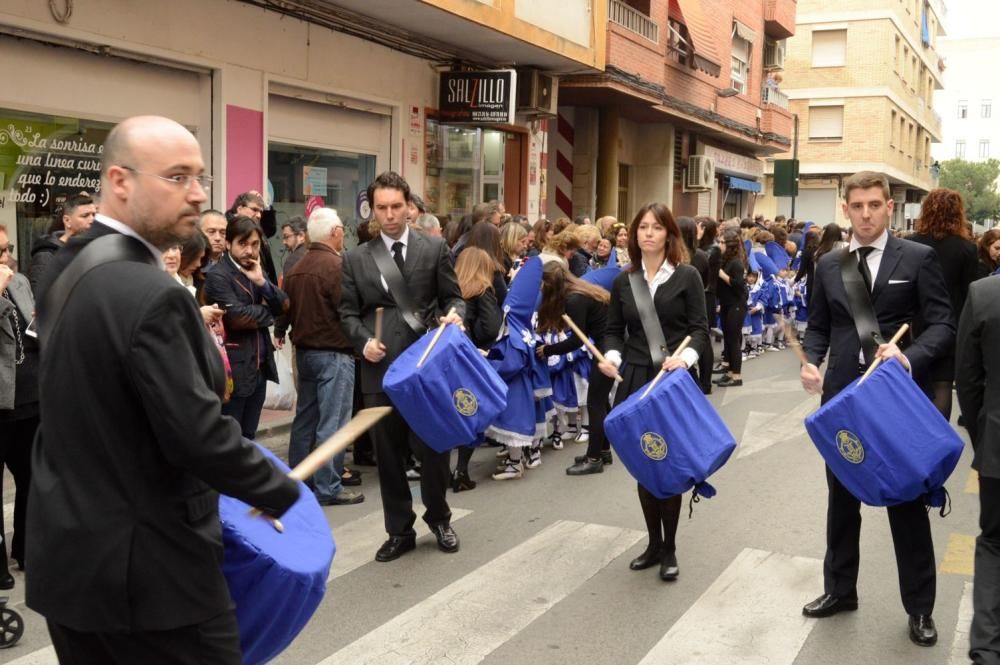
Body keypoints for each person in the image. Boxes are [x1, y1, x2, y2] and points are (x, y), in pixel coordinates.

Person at [27, 115, 299, 663]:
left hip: (72, 564)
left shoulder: (68, 262)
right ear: (120, 181)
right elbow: (196, 437)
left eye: (199, 177)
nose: (198, 194)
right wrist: (283, 489)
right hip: (152, 578)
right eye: (177, 177)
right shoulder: (152, 292)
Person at [799, 171, 954, 647]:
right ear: (844, 209)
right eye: (857, 206)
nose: (865, 214)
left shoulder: (919, 258)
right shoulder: (830, 264)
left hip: (895, 401)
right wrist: (811, 360)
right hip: (844, 398)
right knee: (841, 499)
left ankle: (921, 609)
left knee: (905, 503)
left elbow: (943, 325)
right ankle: (840, 590)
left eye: (874, 205)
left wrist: (909, 355)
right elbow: (819, 325)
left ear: (890, 207)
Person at [339, 171, 465, 562]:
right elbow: (346, 313)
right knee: (389, 456)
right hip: (380, 371)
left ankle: (440, 517)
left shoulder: (434, 248)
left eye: (397, 207)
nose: (390, 215)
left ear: (409, 207)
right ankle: (399, 529)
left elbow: (455, 298)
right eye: (382, 208)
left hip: (426, 368)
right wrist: (363, 341)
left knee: (434, 448)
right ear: (372, 210)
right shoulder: (356, 257)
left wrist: (455, 316)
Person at [597, 202, 708, 581]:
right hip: (635, 377)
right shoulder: (623, 280)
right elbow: (613, 329)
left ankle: (671, 546)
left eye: (655, 228)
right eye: (641, 227)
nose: (647, 233)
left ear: (668, 235)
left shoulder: (687, 275)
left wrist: (686, 359)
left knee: (668, 464)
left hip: (671, 381)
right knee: (645, 464)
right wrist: (611, 357)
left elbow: (700, 330)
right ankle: (652, 543)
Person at [283, 207, 363, 506]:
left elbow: (286, 310)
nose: (343, 232)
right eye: (342, 228)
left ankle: (298, 480)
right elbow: (347, 311)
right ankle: (329, 486)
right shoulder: (337, 266)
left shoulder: (296, 266)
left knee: (305, 418)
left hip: (305, 352)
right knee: (333, 422)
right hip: (334, 353)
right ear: (334, 233)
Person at [204, 215, 290, 440]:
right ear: (229, 243)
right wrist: (267, 312)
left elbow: (284, 305)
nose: (250, 251)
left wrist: (262, 282)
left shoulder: (255, 269)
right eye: (243, 244)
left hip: (259, 368)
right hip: (233, 371)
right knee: (231, 439)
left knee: (250, 437)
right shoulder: (218, 275)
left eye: (255, 244)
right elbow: (236, 318)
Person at [956, 273, 1000, 665]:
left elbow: (967, 380)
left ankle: (987, 646)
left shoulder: (984, 293)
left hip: (998, 442)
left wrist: (981, 435)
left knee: (994, 541)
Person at [534, 262, 613, 475]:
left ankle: (594, 458)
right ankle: (602, 450)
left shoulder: (575, 299)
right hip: (608, 345)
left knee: (595, 404)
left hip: (605, 350)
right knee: (602, 402)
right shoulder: (579, 291)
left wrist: (548, 350)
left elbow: (577, 341)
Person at [909, 188, 979, 419]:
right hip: (951, 325)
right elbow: (972, 292)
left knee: (912, 381)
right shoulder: (966, 248)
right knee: (942, 383)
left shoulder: (910, 244)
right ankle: (938, 443)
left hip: (915, 323)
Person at [0, 225, 37, 582]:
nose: (7, 258)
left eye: (8, 248)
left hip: (28, 397)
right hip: (1, 400)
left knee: (31, 475)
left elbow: (32, 329)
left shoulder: (20, 281)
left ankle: (26, 548)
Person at [451, 247, 503, 492]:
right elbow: (491, 328)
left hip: (451, 358)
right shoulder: (483, 290)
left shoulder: (453, 291)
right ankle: (461, 469)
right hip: (474, 357)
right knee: (471, 411)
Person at [28, 193, 97, 292]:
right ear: (67, 220)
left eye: (94, 215)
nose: (92, 220)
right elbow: (39, 297)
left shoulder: (93, 249)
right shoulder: (47, 256)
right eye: (85, 216)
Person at [713, 228, 747, 387]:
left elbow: (739, 286)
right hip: (726, 304)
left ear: (730, 245)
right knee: (727, 337)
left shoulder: (736, 263)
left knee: (733, 340)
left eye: (722, 242)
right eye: (719, 242)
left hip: (736, 304)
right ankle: (728, 373)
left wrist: (721, 274)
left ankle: (737, 376)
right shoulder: (725, 259)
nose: (719, 245)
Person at [280, 216, 308, 281]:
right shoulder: (314, 254)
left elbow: (286, 290)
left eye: (286, 237)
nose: (284, 242)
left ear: (301, 236)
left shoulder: (292, 260)